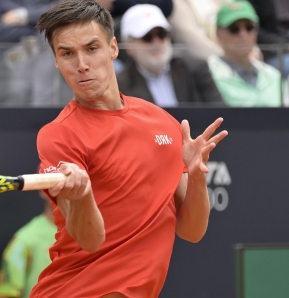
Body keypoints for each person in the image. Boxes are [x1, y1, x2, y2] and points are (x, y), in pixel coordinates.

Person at [30, 0, 228, 297]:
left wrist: (197, 175)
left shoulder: (161, 122)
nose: (81, 63)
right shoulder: (59, 136)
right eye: (67, 53)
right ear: (57, 62)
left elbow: (192, 231)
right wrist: (82, 194)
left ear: (112, 48)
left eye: (91, 48)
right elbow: (90, 241)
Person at [117, 4, 224, 107]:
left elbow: (221, 113)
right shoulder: (120, 84)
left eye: (162, 34)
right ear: (129, 45)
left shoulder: (195, 68)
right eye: (147, 37)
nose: (157, 42)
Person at [208, 1, 288, 107]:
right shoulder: (208, 74)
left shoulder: (273, 75)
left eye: (249, 27)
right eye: (234, 29)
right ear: (219, 35)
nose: (243, 35)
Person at [0, 191, 56, 298]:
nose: (62, 188)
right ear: (42, 189)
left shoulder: (92, 236)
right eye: (54, 179)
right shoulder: (24, 240)